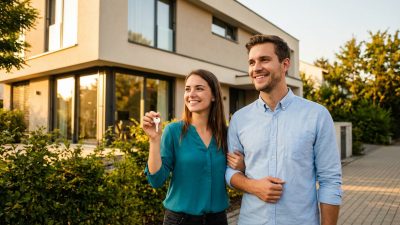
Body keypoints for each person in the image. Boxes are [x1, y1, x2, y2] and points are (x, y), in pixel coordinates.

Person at [225, 34, 343, 225]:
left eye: (264, 60)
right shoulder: (239, 119)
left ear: (285, 64)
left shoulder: (317, 115)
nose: (256, 68)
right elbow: (230, 173)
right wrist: (254, 186)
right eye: (252, 62)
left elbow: (330, 181)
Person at [142, 69, 229, 225]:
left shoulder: (226, 134)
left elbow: (235, 173)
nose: (191, 94)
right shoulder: (173, 131)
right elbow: (156, 180)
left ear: (214, 95)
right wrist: (154, 140)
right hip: (180, 220)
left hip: (217, 219)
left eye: (199, 88)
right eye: (188, 89)